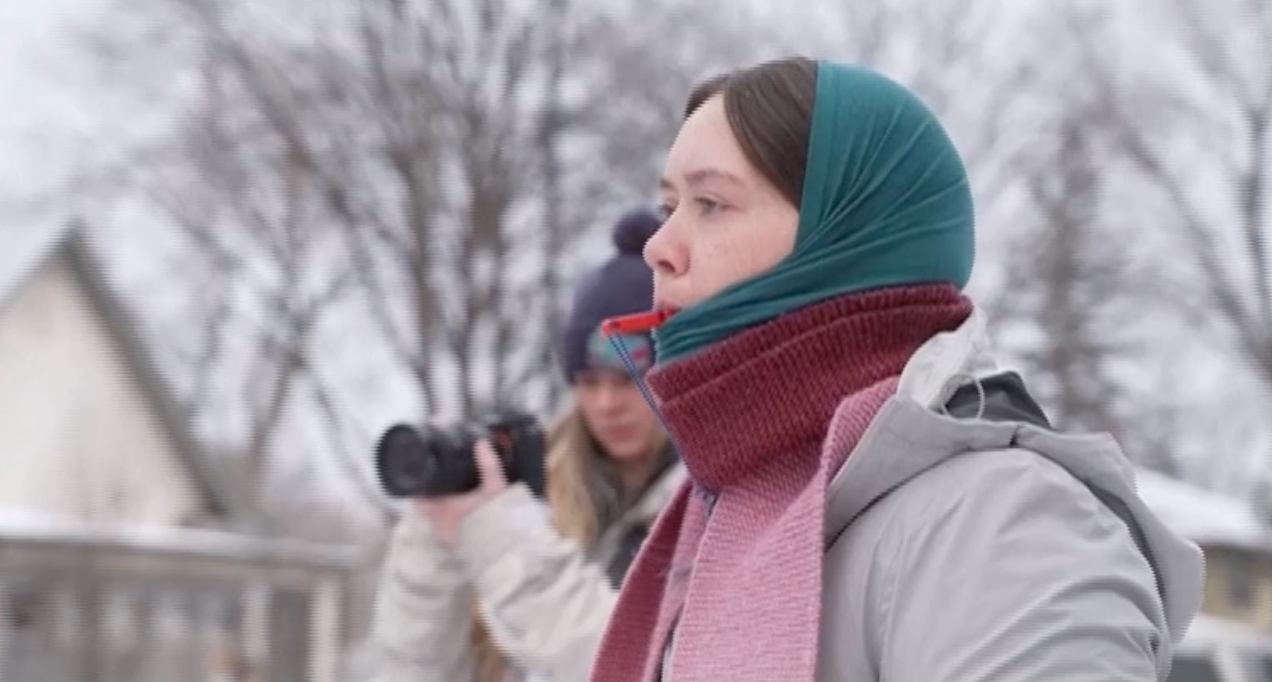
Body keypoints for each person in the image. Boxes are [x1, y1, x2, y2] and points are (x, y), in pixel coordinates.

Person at [586, 57, 1204, 682]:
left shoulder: (1006, 527)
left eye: (711, 204)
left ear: (850, 238)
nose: (657, 249)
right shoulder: (734, 519)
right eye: (669, 209)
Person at [368, 207, 684, 682]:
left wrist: (502, 534)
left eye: (628, 381)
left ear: (673, 371)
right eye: (587, 381)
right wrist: (433, 535)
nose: (606, 404)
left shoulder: (703, 504)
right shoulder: (538, 490)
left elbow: (626, 662)